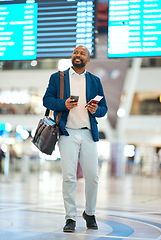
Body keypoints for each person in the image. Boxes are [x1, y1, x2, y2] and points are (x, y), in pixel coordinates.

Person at [43, 45, 108, 232]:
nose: (78, 55)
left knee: (93, 177)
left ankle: (90, 213)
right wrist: (63, 104)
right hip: (67, 133)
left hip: (88, 133)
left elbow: (104, 109)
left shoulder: (95, 81)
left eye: (82, 54)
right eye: (75, 53)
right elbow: (47, 100)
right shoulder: (59, 78)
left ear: (87, 60)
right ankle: (70, 217)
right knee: (69, 177)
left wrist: (97, 110)